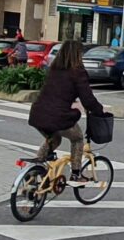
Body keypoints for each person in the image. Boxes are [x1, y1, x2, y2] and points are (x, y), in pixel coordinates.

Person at [30, 38, 109, 175]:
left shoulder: (53, 69)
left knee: (54, 139)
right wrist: (99, 111)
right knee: (77, 138)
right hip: (57, 116)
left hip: (37, 114)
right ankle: (76, 175)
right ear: (78, 54)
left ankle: (34, 170)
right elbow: (88, 99)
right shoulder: (77, 72)